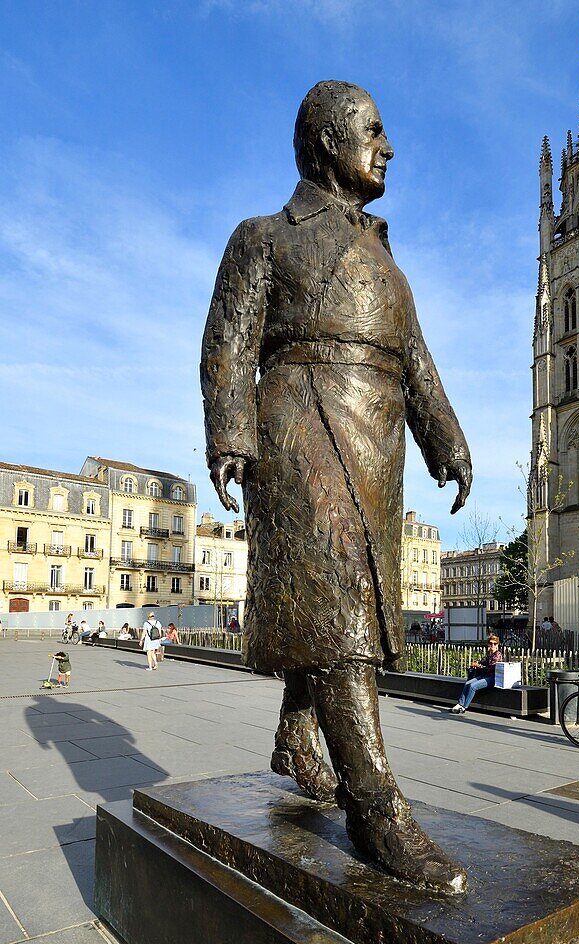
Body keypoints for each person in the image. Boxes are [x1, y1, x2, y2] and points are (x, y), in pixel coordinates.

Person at [200, 81, 472, 894]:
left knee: (350, 597)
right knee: (341, 600)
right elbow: (226, 347)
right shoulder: (262, 237)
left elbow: (415, 356)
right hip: (298, 422)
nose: (388, 148)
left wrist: (447, 439)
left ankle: (297, 731)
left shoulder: (386, 257)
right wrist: (232, 437)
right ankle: (375, 805)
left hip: (376, 437)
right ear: (326, 141)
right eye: (373, 132)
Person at [451, 635, 503, 714]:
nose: (492, 645)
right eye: (491, 643)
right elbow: (483, 662)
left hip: (492, 678)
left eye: (495, 644)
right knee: (467, 683)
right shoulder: (489, 653)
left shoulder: (497, 655)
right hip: (485, 675)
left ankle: (464, 707)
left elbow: (489, 668)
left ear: (497, 645)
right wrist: (477, 663)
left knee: (472, 686)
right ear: (488, 644)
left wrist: (478, 666)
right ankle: (460, 704)